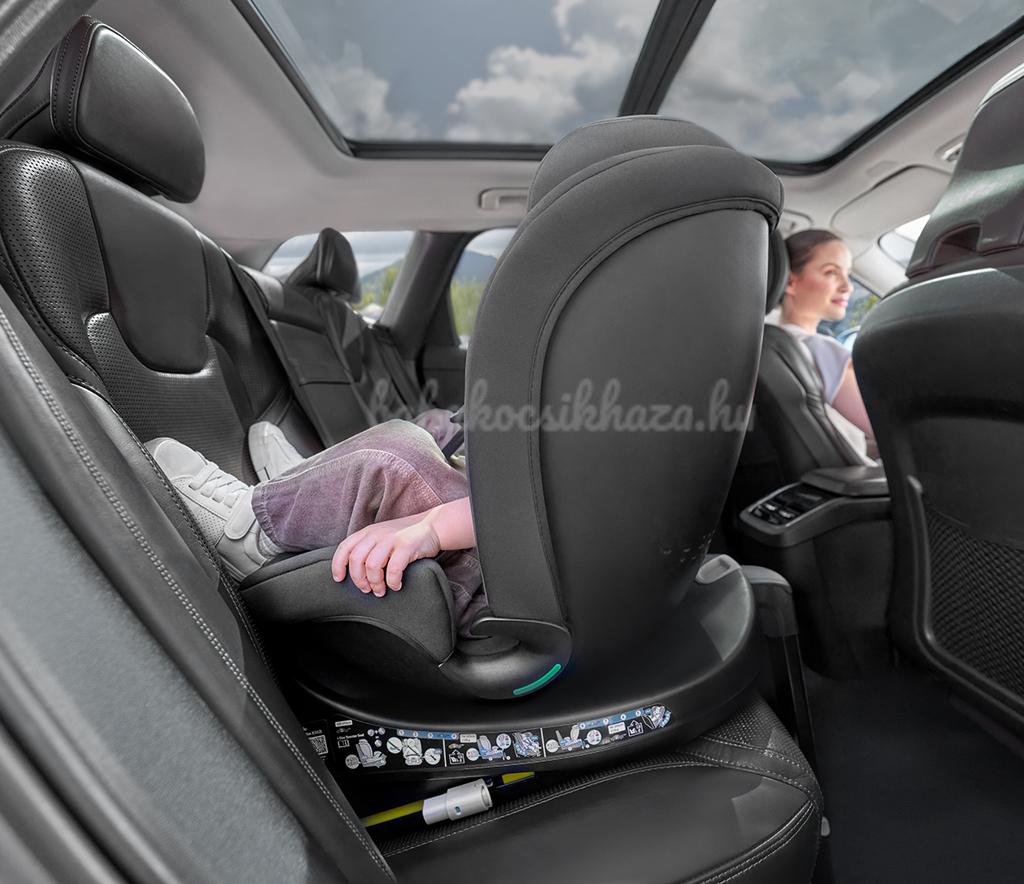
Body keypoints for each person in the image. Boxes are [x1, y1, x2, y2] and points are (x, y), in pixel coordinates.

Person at [147, 420, 484, 635]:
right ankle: (306, 487)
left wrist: (434, 526)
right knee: (438, 428)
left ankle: (258, 533)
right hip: (498, 531)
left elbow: (521, 506)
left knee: (394, 461)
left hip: (489, 583)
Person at [779, 229, 874, 454]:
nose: (847, 286)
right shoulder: (821, 350)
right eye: (831, 272)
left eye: (847, 274)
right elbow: (889, 428)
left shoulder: (764, 344)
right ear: (791, 281)